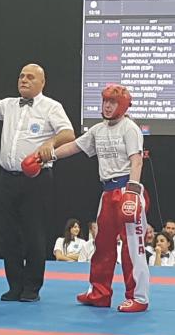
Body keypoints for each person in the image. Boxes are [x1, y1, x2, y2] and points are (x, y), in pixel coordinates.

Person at [0, 62, 75, 303]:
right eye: (21, 76)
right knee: (7, 234)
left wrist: (50, 143)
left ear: (42, 83)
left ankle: (32, 287)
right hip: (7, 178)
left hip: (36, 179)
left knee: (34, 233)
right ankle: (14, 286)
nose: (24, 80)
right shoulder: (8, 105)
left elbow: (68, 133)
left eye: (30, 77)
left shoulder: (51, 106)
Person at [51, 84, 149, 312]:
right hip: (107, 193)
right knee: (102, 245)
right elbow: (74, 146)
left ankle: (139, 297)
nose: (107, 106)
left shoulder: (130, 128)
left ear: (122, 105)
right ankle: (99, 293)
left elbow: (136, 161)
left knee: (132, 247)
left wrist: (133, 192)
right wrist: (48, 156)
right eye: (105, 101)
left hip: (127, 189)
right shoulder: (98, 130)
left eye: (112, 102)